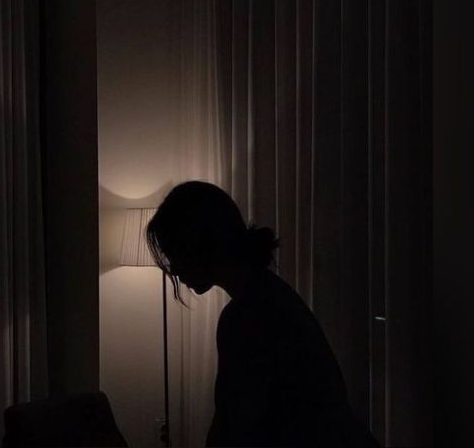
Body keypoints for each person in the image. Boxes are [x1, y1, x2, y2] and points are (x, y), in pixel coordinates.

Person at [146, 181, 379, 447]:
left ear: (200, 245)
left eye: (175, 254)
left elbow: (237, 429)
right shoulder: (270, 295)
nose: (174, 269)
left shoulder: (247, 316)